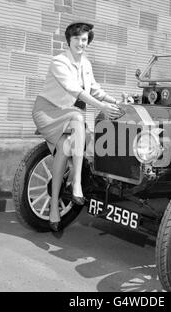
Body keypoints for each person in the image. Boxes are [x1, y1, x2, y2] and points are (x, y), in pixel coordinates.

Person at [32, 21, 122, 231]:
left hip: (70, 117)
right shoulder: (59, 61)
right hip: (48, 112)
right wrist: (103, 108)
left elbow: (95, 90)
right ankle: (77, 183)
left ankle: (54, 207)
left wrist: (115, 101)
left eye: (84, 39)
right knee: (78, 118)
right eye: (76, 39)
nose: (80, 43)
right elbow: (75, 91)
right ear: (69, 40)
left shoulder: (86, 64)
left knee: (66, 146)